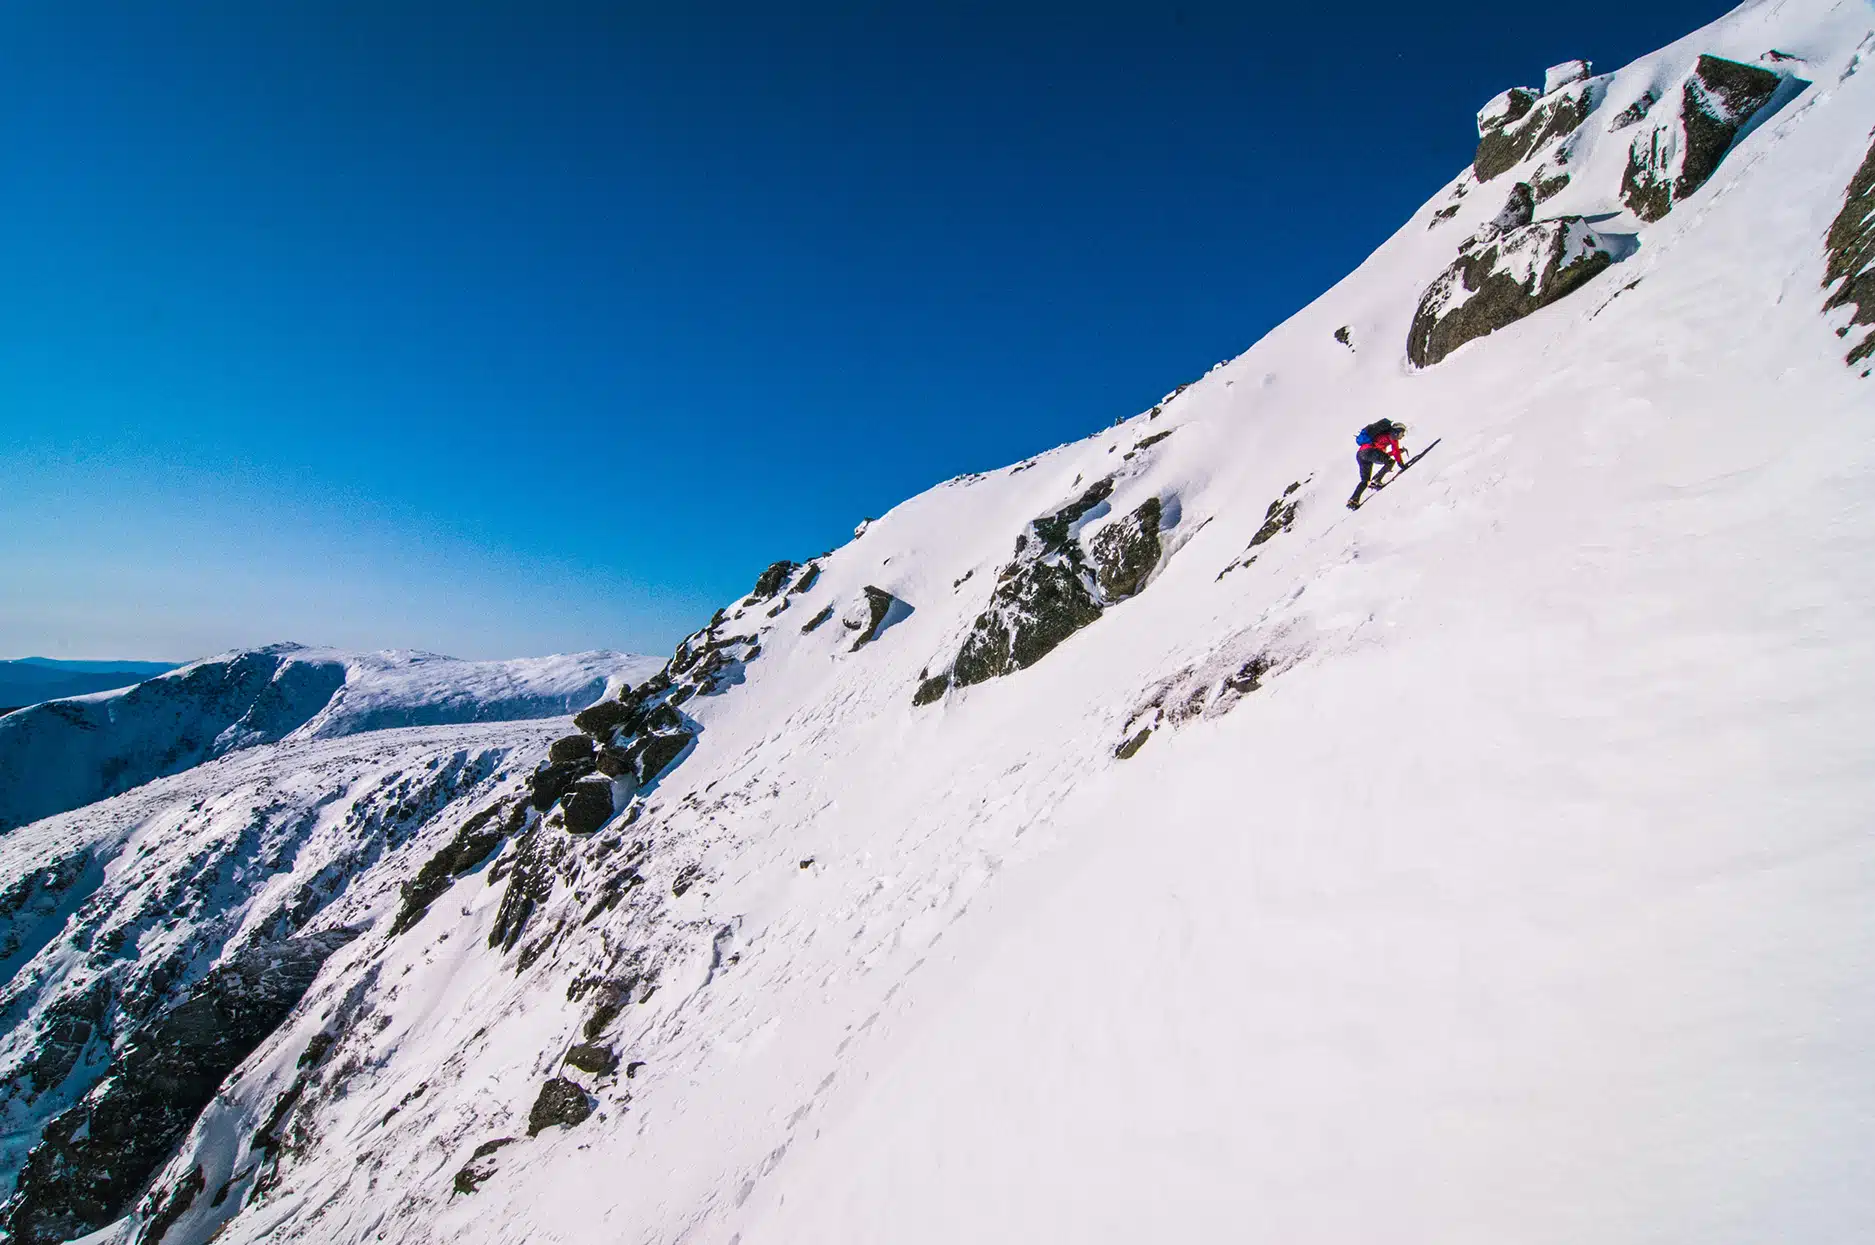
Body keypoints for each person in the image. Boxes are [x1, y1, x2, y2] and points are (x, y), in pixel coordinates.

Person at [1347, 419, 1408, 508]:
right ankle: (1376, 480)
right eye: (1402, 433)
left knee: (1365, 480)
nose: (1402, 436)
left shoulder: (1382, 436)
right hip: (1369, 451)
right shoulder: (1392, 437)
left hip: (1361, 454)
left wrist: (1398, 451)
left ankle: (1353, 500)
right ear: (1397, 431)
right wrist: (1401, 465)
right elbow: (1392, 453)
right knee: (1390, 462)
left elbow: (1382, 455)